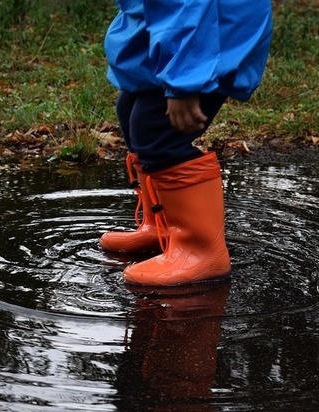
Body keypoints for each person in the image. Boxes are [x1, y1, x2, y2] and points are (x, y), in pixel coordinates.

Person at [100, 0, 272, 287]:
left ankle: (201, 251)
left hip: (208, 38)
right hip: (179, 32)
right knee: (130, 109)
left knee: (157, 131)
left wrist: (184, 83)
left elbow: (186, 7)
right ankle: (163, 227)